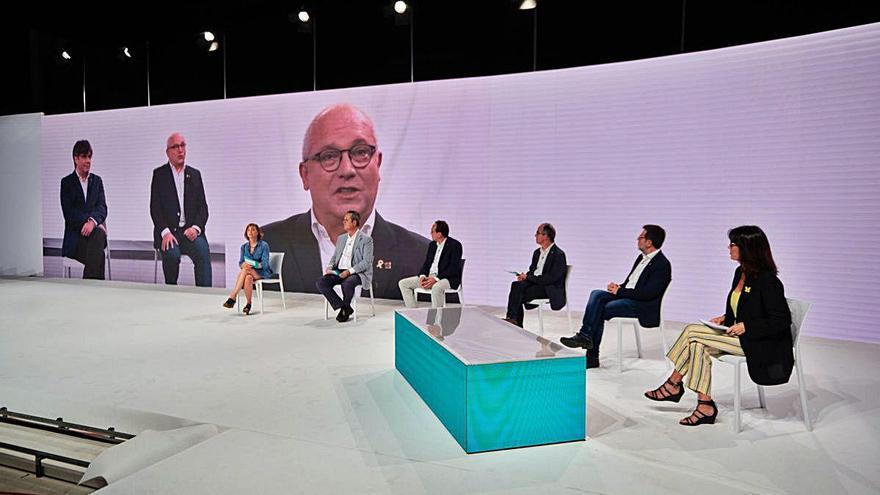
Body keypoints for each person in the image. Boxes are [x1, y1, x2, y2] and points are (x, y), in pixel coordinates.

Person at [262, 104, 429, 299]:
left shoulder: (421, 257)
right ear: (305, 175)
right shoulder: (269, 244)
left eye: (360, 152)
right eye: (329, 156)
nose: (347, 170)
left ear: (378, 164)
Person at [644, 226, 793, 426]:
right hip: (740, 337)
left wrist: (747, 326)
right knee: (696, 346)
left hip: (758, 343)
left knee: (691, 331)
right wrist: (725, 318)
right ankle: (705, 405)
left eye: (733, 244)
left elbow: (781, 320)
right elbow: (744, 307)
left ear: (747, 248)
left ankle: (673, 383)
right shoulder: (740, 272)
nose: (728, 247)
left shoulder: (768, 281)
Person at [560, 225, 672, 369]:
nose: (638, 238)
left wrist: (619, 291)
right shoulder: (641, 258)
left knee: (600, 309)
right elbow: (631, 284)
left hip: (642, 305)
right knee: (596, 294)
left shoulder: (662, 264)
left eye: (641, 236)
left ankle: (590, 351)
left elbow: (647, 294)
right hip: (628, 297)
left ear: (649, 242)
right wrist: (617, 288)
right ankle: (585, 337)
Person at [150, 133, 212, 287]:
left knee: (202, 250)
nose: (180, 150)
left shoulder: (195, 175)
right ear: (168, 152)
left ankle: (205, 296)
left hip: (189, 232)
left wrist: (196, 228)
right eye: (175, 147)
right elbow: (155, 208)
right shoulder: (159, 175)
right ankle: (171, 292)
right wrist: (165, 232)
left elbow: (203, 208)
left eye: (183, 145)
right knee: (171, 254)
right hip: (169, 232)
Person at [503, 223, 567, 328]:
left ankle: (515, 323)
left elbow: (551, 278)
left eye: (538, 233)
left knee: (518, 294)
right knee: (516, 285)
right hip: (535, 282)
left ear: (546, 236)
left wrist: (528, 278)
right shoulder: (537, 253)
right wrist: (525, 277)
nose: (535, 236)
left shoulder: (558, 254)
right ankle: (513, 319)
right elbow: (533, 271)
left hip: (548, 288)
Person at [60, 140, 108, 280]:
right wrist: (87, 222)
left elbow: (102, 207)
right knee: (99, 256)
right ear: (76, 158)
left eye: (90, 157)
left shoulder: (97, 181)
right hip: (76, 240)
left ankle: (86, 289)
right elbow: (69, 213)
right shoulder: (66, 183)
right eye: (84, 157)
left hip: (94, 237)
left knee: (98, 236)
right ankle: (95, 292)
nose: (88, 161)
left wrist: (92, 223)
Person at [316, 210, 374, 322]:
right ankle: (344, 307)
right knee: (321, 282)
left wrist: (349, 271)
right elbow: (335, 257)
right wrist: (330, 267)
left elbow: (366, 262)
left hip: (357, 272)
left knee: (347, 283)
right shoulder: (341, 238)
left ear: (354, 222)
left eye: (346, 220)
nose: (343, 222)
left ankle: (345, 309)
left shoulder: (366, 240)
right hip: (339, 271)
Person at [398, 220, 463, 308]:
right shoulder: (432, 245)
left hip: (447, 278)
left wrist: (436, 279)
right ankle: (413, 312)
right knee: (403, 283)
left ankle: (436, 319)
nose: (430, 233)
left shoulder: (455, 245)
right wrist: (422, 276)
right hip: (429, 277)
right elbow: (427, 263)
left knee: (436, 287)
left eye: (432, 232)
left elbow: (453, 268)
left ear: (439, 234)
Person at [223, 223, 274, 315]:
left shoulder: (264, 245)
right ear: (246, 233)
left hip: (261, 272)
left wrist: (254, 265)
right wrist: (244, 265)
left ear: (258, 232)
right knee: (248, 278)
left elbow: (265, 263)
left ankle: (233, 296)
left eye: (253, 230)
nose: (250, 232)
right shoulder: (244, 247)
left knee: (246, 270)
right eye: (248, 230)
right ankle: (248, 304)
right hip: (248, 272)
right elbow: (241, 262)